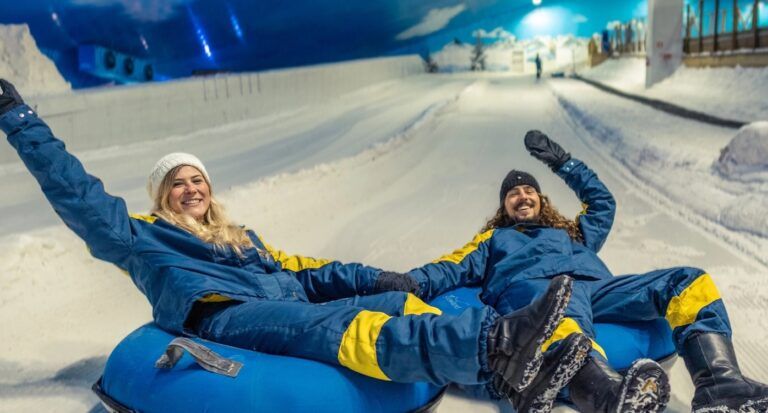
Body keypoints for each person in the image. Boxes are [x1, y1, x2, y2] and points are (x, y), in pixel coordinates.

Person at [0, 79, 591, 410]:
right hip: (227, 318)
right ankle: (498, 343)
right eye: (176, 182)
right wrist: (19, 119)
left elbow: (311, 271)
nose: (190, 187)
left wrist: (382, 281)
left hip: (285, 303)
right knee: (333, 330)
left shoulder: (242, 240)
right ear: (161, 197)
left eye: (197, 178)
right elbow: (75, 191)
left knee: (393, 309)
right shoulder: (140, 236)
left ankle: (514, 378)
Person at [400, 130, 768, 413]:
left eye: (529, 189)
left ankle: (720, 384)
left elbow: (603, 203)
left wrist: (564, 163)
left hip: (598, 291)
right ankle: (608, 397)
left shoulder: (570, 233)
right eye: (513, 193)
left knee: (688, 281)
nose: (523, 195)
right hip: (539, 296)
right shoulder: (493, 240)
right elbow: (448, 269)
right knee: (560, 302)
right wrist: (400, 283)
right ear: (504, 206)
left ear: (541, 199)